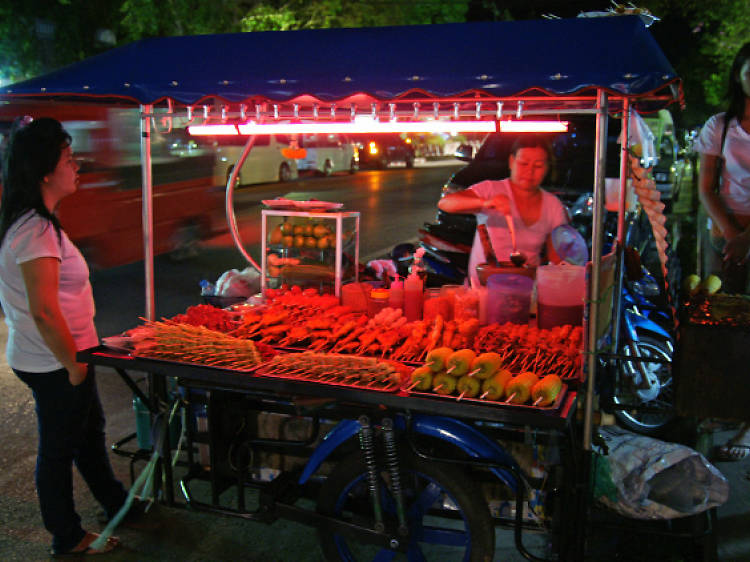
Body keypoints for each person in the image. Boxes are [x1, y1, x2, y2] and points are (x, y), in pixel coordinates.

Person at [0, 117, 135, 555]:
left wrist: (91, 350)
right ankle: (67, 536)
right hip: (54, 360)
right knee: (59, 449)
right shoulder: (34, 230)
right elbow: (42, 310)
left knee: (87, 433)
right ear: (44, 170)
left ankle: (116, 502)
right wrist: (74, 367)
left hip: (66, 355)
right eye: (69, 159)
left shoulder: (37, 223)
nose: (77, 166)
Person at [694, 42, 750, 461]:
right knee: (721, 322)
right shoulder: (720, 125)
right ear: (740, 76)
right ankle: (724, 409)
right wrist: (733, 233)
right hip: (721, 235)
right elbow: (706, 186)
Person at [438, 136, 569, 285]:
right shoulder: (491, 190)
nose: (530, 171)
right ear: (512, 162)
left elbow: (556, 258)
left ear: (546, 168)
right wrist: (485, 202)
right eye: (523, 163)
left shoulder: (552, 205)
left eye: (538, 166)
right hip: (485, 289)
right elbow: (445, 203)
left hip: (526, 289)